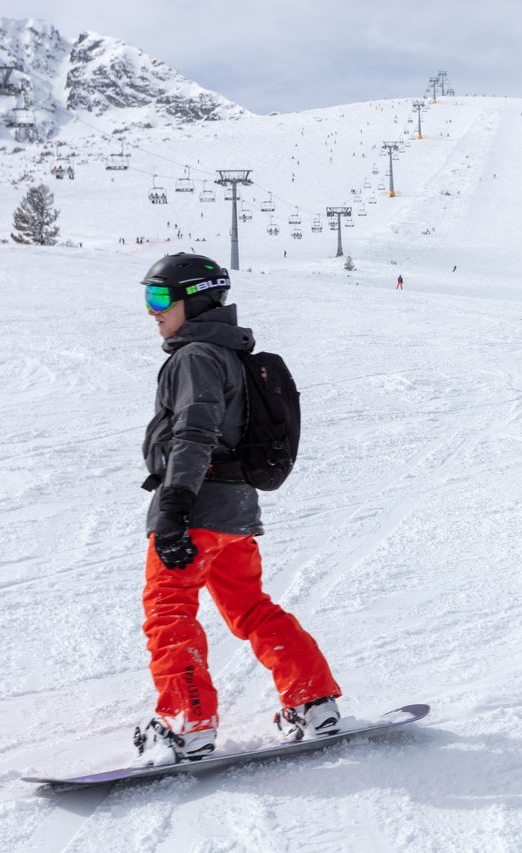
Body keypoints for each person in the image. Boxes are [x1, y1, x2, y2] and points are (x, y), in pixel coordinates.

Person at [135, 253, 342, 765]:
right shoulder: (228, 353)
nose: (151, 311)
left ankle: (189, 723)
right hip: (235, 513)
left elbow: (194, 433)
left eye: (160, 298)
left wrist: (174, 508)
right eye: (148, 297)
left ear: (196, 297)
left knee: (169, 611)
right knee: (250, 608)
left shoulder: (195, 356)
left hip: (197, 508)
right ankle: (312, 699)